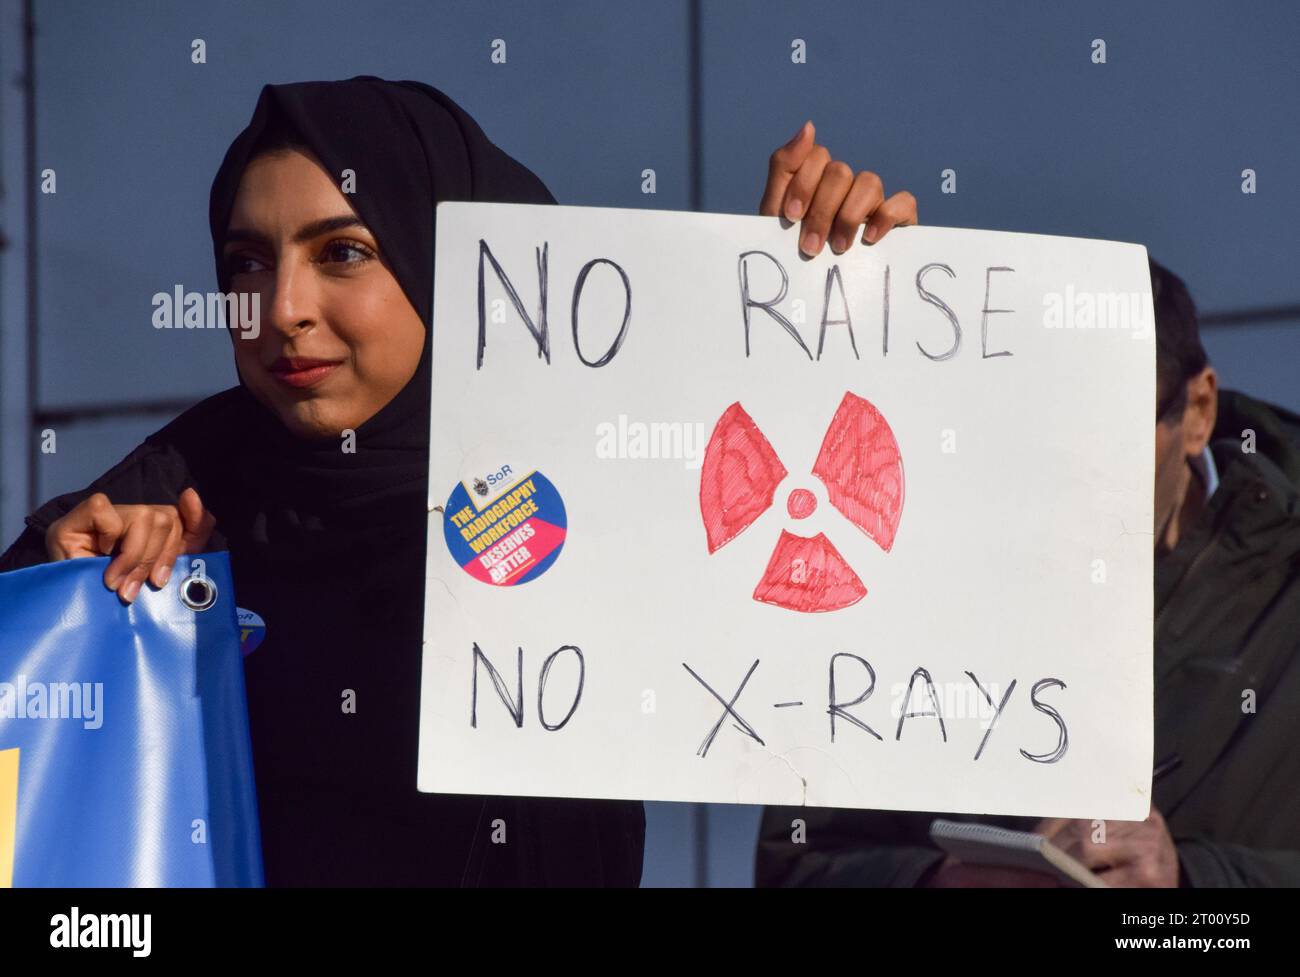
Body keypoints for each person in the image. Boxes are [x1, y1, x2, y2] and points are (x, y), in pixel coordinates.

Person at [0, 77, 916, 885]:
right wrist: (65, 591)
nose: (281, 309)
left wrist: (819, 310)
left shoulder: (605, 468)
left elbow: (826, 642)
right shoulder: (177, 509)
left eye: (343, 253)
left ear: (456, 266)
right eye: (247, 263)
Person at [755, 259, 1300, 888]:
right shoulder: (917, 581)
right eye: (1037, 435)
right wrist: (947, 884)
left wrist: (1190, 886)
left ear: (1197, 412)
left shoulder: (1285, 585)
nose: (1074, 475)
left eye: (1108, 431)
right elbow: (797, 864)